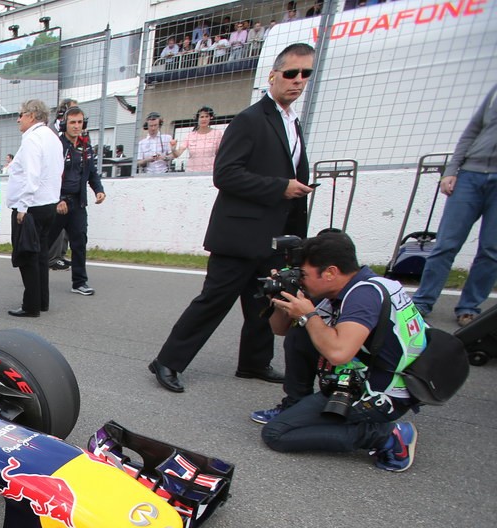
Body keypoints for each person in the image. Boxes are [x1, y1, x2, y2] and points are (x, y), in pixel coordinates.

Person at [149, 43, 316, 393]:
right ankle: (167, 361)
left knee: (265, 299)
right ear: (272, 76)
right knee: (214, 301)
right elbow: (225, 175)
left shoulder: (291, 122)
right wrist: (280, 187)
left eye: (306, 74)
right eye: (291, 73)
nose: (298, 80)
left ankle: (254, 363)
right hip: (239, 233)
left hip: (273, 234)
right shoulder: (251, 119)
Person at [258, 231, 424, 471]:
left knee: (276, 434)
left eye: (303, 274)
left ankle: (387, 435)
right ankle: (297, 404)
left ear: (330, 272)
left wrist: (307, 314)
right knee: (301, 331)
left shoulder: (363, 296)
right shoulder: (346, 287)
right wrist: (284, 297)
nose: (300, 279)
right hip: (362, 375)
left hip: (381, 394)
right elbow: (280, 329)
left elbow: (339, 354)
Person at [410, 83, 497, 327]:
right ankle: (422, 302)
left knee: (491, 250)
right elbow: (471, 132)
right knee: (446, 244)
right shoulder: (494, 92)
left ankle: (469, 307)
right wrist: (452, 170)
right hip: (471, 173)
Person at [7, 99, 64, 319]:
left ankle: (30, 306)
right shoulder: (52, 137)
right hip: (48, 203)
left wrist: (23, 206)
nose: (18, 119)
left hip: (31, 206)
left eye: (21, 114)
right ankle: (42, 301)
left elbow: (32, 175)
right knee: (40, 254)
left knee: (27, 256)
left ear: (32, 115)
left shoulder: (32, 139)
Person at [46, 106, 106, 296]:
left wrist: (99, 190)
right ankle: (34, 277)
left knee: (79, 242)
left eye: (79, 122)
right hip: (57, 203)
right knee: (44, 243)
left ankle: (80, 282)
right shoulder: (57, 145)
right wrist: (59, 200)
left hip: (78, 203)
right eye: (72, 122)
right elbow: (50, 175)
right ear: (64, 124)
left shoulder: (86, 146)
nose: (76, 126)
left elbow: (92, 173)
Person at [172, 106, 224, 173]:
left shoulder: (217, 133)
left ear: (211, 118)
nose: (204, 119)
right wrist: (173, 148)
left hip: (210, 172)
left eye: (206, 116)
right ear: (198, 119)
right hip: (191, 172)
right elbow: (178, 154)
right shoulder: (190, 135)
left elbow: (220, 153)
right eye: (202, 117)